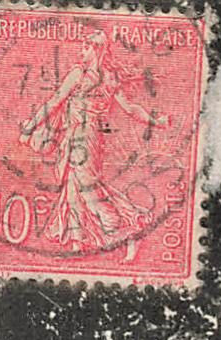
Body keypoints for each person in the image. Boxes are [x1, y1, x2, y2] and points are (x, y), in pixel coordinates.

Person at [18, 30, 171, 255]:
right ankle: (77, 242)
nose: (82, 52)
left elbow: (55, 102)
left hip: (83, 139)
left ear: (97, 50)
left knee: (87, 190)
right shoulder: (108, 77)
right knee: (72, 189)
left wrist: (29, 129)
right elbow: (129, 109)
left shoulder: (80, 74)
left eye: (86, 47)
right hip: (83, 138)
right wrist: (156, 121)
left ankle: (122, 226)